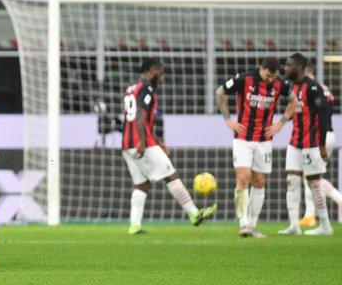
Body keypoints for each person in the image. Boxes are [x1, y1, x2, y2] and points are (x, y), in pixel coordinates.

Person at [122, 58, 217, 235]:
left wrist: (158, 141)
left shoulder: (130, 89)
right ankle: (194, 214)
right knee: (170, 174)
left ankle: (134, 226)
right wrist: (143, 142)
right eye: (161, 72)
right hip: (141, 143)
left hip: (127, 144)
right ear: (152, 70)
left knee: (142, 184)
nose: (162, 76)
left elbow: (137, 118)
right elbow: (140, 115)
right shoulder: (147, 88)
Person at [216, 56, 297, 238]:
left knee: (259, 181)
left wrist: (281, 123)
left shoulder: (279, 84)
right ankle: (243, 223)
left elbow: (294, 101)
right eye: (268, 75)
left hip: (264, 140)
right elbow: (220, 92)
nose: (270, 79)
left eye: (273, 76)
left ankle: (252, 225)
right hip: (243, 138)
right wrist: (228, 119)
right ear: (261, 68)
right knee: (243, 177)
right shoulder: (244, 79)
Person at [278, 53, 333, 236]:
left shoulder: (313, 87)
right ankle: (294, 225)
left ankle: (325, 225)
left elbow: (324, 115)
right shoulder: (290, 86)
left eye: (289, 65)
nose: (286, 68)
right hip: (295, 141)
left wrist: (323, 145)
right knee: (291, 181)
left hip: (311, 143)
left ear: (299, 67)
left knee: (314, 183)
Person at [299, 64, 341, 227]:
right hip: (329, 133)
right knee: (310, 176)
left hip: (319, 136)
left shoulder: (311, 89)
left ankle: (337, 199)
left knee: (311, 177)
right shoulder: (325, 89)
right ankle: (310, 215)